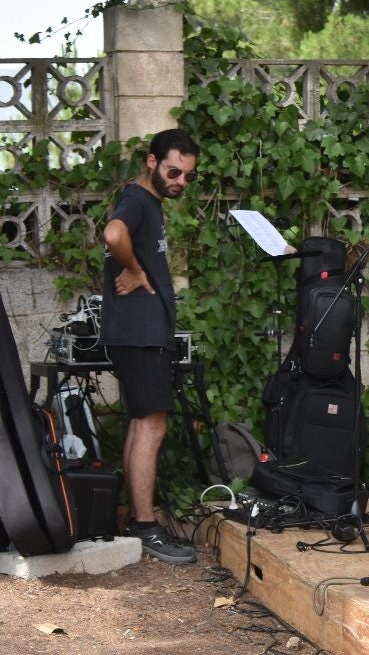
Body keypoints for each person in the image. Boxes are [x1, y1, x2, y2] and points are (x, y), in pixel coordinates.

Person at [100, 128, 200, 564]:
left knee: (143, 423)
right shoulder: (138, 202)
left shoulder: (151, 204)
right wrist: (137, 271)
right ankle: (145, 526)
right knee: (152, 426)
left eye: (188, 177)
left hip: (139, 333)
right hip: (138, 333)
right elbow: (114, 234)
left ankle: (134, 521)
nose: (180, 181)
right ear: (152, 163)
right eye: (174, 171)